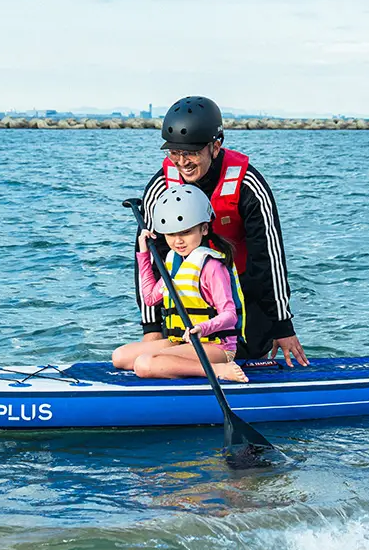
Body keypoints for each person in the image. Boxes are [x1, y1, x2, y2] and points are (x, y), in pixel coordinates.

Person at [135, 95, 309, 366]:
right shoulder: (160, 187)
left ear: (215, 146)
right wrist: (151, 328)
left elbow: (269, 260)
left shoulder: (249, 185)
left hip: (239, 300)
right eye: (174, 153)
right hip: (184, 305)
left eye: (191, 152)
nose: (183, 162)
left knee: (249, 355)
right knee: (149, 358)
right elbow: (150, 260)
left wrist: (282, 325)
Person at [114, 184, 250, 383]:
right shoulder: (175, 263)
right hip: (179, 340)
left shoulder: (212, 267)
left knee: (144, 364)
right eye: (171, 234)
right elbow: (151, 298)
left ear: (204, 228)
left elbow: (229, 316)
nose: (178, 241)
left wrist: (202, 328)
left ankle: (218, 369)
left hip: (217, 346)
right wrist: (144, 253)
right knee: (120, 357)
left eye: (185, 232)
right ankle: (187, 364)